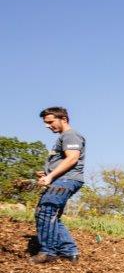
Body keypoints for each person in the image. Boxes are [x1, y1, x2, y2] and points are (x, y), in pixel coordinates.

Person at [30, 106, 86, 264]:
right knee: (51, 214)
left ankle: (48, 252)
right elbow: (64, 160)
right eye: (46, 123)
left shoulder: (71, 135)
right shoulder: (64, 137)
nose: (48, 125)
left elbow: (72, 158)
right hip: (62, 179)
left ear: (64, 119)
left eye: (50, 122)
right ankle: (69, 252)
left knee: (46, 211)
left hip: (66, 180)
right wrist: (47, 174)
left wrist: (51, 176)